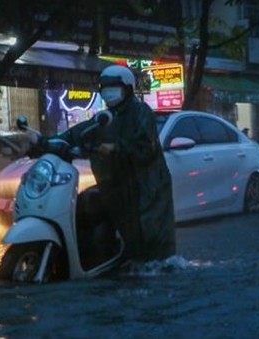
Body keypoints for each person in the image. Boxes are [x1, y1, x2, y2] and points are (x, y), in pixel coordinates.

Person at [49, 65, 176, 262]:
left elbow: (144, 147)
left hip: (144, 188)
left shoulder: (140, 112)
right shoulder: (105, 117)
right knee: (87, 207)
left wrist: (116, 147)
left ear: (127, 89)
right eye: (105, 88)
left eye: (114, 87)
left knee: (149, 245)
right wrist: (45, 142)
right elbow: (79, 132)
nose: (109, 92)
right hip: (115, 185)